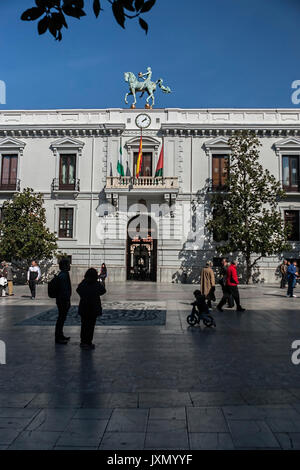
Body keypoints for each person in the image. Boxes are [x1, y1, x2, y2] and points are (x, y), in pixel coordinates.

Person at [77, 268, 106, 350]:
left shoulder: (84, 282)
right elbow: (103, 291)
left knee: (84, 325)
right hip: (93, 307)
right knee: (91, 326)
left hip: (84, 307)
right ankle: (88, 342)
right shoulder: (96, 284)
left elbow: (78, 290)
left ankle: (83, 342)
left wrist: (84, 296)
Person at [55, 258, 72, 345]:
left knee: (61, 318)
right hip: (62, 300)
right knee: (61, 319)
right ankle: (58, 337)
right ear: (65, 266)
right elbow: (64, 289)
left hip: (62, 299)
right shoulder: (63, 275)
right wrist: (67, 300)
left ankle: (60, 335)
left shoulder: (63, 274)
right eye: (68, 264)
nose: (70, 266)